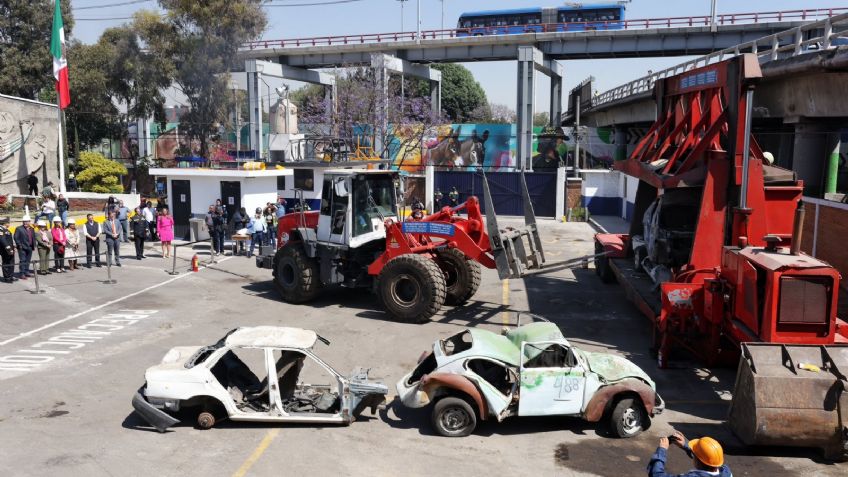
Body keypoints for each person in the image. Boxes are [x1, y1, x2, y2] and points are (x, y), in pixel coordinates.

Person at [648, 431, 732, 477]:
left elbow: (656, 474)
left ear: (697, 461)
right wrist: (685, 446)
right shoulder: (726, 471)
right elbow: (708, 458)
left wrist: (662, 450)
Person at [14, 214, 35, 279]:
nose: (25, 222)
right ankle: (22, 273)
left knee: (28, 260)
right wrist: (19, 245)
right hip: (22, 248)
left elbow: (33, 237)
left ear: (29, 221)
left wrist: (33, 245)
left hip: (30, 247)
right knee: (23, 260)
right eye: (24, 221)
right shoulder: (19, 228)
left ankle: (26, 271)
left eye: (27, 221)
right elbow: (16, 237)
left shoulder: (31, 228)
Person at [0, 217, 16, 283]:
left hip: (10, 249)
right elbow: (3, 240)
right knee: (6, 263)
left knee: (11, 262)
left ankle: (11, 276)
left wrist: (13, 246)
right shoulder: (1, 230)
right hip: (5, 250)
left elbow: (9, 239)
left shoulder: (6, 229)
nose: (9, 224)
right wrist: (9, 248)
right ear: (5, 223)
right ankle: (7, 277)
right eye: (8, 222)